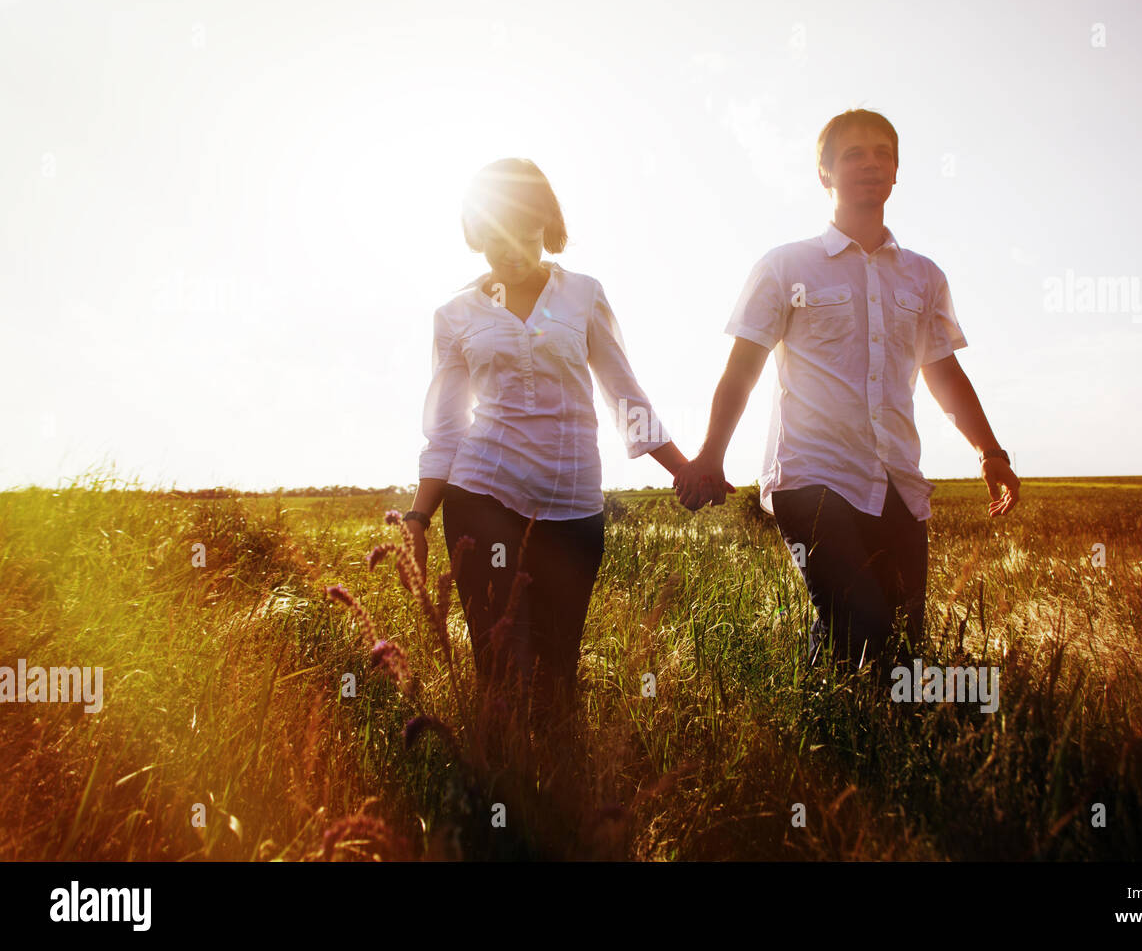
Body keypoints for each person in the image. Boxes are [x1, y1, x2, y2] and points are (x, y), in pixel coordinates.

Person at [674, 109, 1020, 689]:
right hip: (812, 476)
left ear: (895, 173)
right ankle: (823, 742)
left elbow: (944, 373)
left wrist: (990, 451)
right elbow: (742, 369)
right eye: (854, 154)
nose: (870, 163)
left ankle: (851, 741)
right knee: (859, 619)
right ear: (825, 173)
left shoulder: (923, 276)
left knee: (903, 644)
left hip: (896, 482)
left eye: (882, 153)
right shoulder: (786, 266)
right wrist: (711, 454)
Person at [403, 158, 699, 736]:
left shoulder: (583, 295)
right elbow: (445, 428)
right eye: (494, 234)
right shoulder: (454, 315)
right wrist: (419, 514)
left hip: (571, 503)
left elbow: (622, 392)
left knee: (558, 665)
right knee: (499, 656)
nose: (510, 245)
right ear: (476, 234)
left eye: (524, 227)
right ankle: (498, 792)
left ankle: (559, 790)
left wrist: (684, 469)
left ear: (547, 222)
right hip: (482, 494)